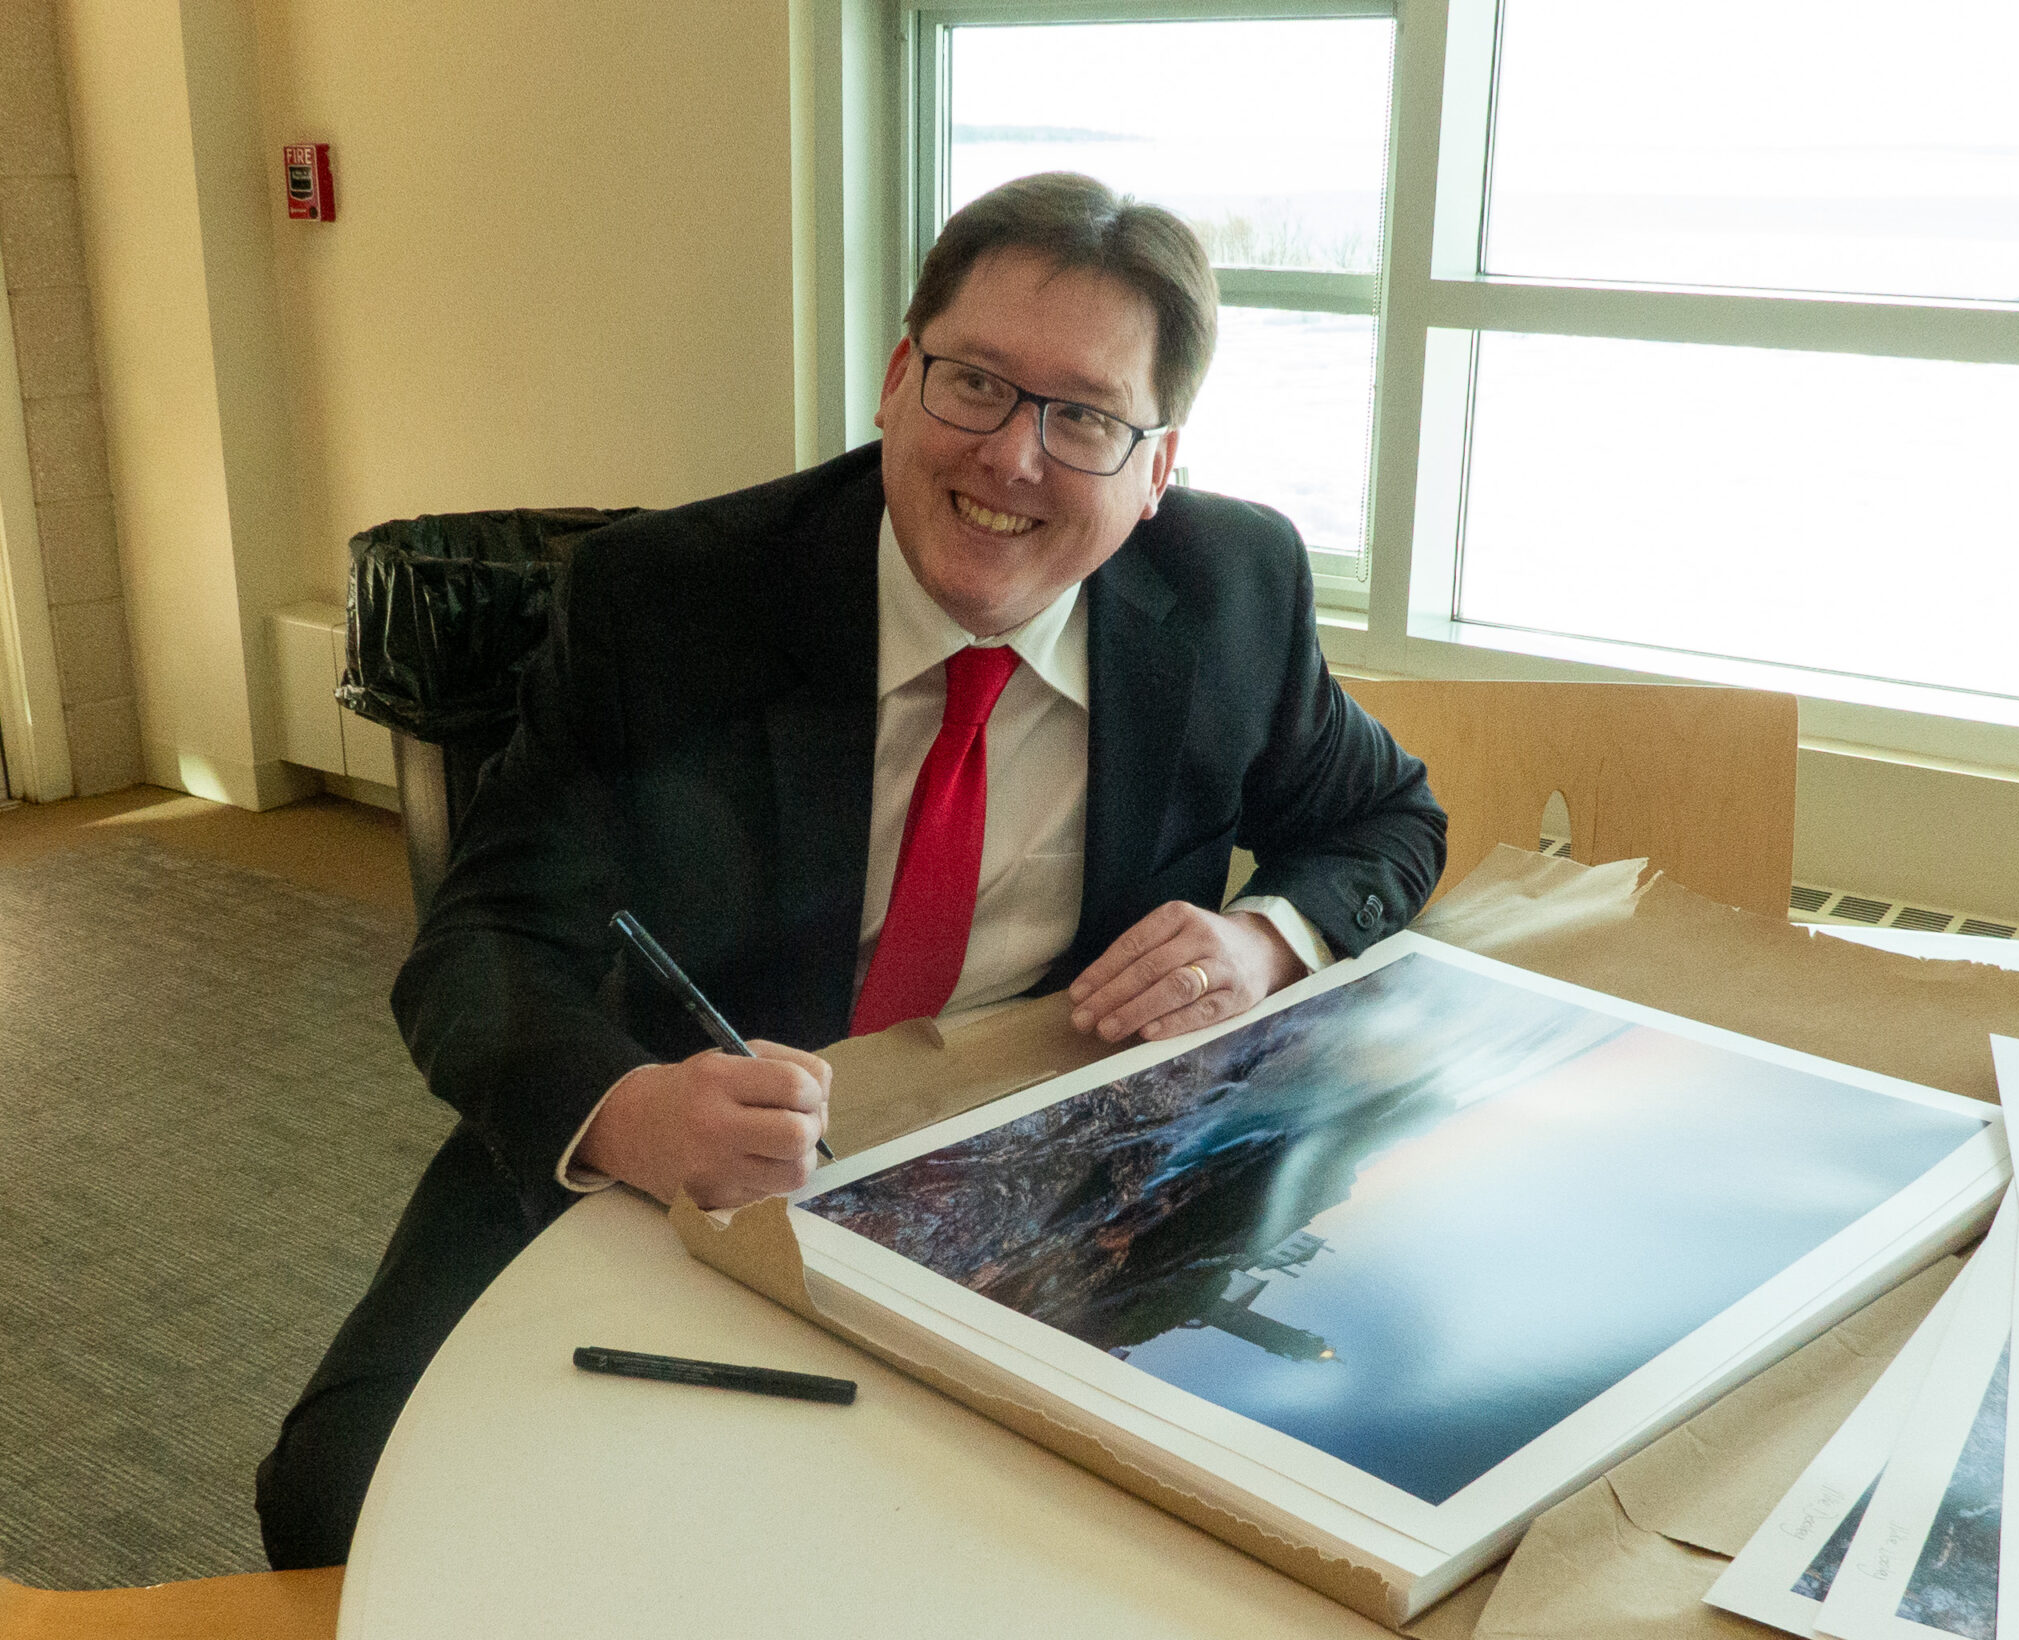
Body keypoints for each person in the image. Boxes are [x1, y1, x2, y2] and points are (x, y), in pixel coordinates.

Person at [255, 171, 1445, 1568]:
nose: (1012, 459)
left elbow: (1387, 823)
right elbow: (478, 946)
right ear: (897, 381)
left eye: (1086, 418)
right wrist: (629, 1110)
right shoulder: (666, 604)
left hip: (1031, 1175)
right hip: (675, 1153)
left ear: (1157, 467)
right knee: (342, 1494)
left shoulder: (1233, 587)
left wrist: (1262, 940)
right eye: (977, 385)